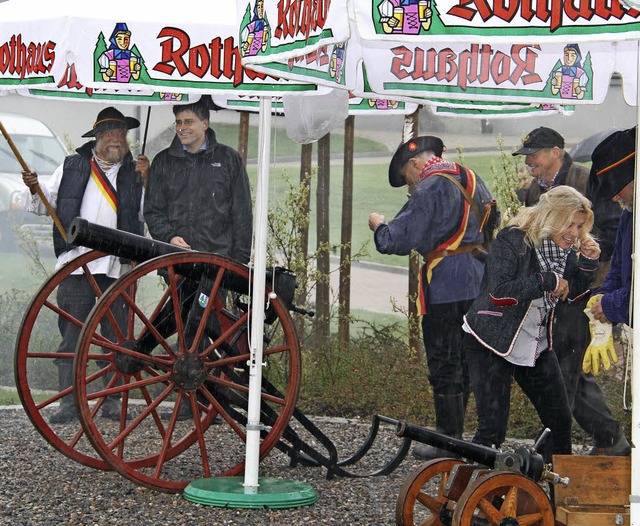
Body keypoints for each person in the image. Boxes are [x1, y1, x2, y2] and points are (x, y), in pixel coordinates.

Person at [368, 135, 497, 460]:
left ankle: (448, 438)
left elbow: (396, 240)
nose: (411, 185)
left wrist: (379, 226)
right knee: (470, 361)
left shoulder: (430, 187)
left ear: (414, 164)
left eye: (408, 178)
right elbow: (492, 222)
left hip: (447, 284)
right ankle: (474, 437)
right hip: (480, 280)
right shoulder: (472, 178)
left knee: (444, 359)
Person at [21, 107, 149, 424]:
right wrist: (33, 188)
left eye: (121, 134)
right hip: (77, 267)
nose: (116, 139)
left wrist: (150, 180)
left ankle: (111, 402)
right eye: (110, 134)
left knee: (118, 341)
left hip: (118, 269)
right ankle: (68, 403)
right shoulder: (73, 166)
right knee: (72, 340)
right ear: (97, 139)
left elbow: (150, 214)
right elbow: (44, 204)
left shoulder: (136, 172)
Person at [463, 186, 600, 460]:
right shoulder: (512, 240)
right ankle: (467, 493)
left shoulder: (564, 252)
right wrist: (546, 281)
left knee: (559, 422)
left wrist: (588, 263)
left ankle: (550, 492)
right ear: (552, 218)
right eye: (570, 224)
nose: (575, 233)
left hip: (535, 344)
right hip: (489, 339)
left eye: (580, 226)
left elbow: (573, 293)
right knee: (492, 431)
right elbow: (499, 293)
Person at [514, 126, 628, 456]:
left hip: (584, 292)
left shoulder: (585, 181)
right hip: (554, 292)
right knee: (567, 369)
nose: (529, 162)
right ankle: (609, 439)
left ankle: (554, 449)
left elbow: (608, 230)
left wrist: (579, 251)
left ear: (556, 153)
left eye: (534, 155)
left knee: (563, 371)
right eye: (527, 157)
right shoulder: (537, 188)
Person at [144, 98, 253, 420]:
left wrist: (238, 263)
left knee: (210, 331)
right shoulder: (164, 162)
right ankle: (192, 401)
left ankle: (212, 401)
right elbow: (153, 211)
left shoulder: (228, 160)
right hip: (178, 261)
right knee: (185, 328)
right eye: (178, 123)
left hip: (216, 263)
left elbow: (242, 215)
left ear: (205, 123)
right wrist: (167, 237)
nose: (182, 129)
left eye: (188, 122)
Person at [581, 127, 636, 455]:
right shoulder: (631, 215)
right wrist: (600, 297)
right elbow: (620, 269)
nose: (615, 198)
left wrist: (611, 306)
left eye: (618, 189)